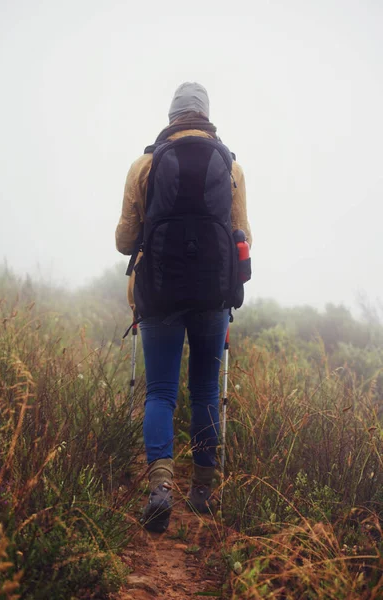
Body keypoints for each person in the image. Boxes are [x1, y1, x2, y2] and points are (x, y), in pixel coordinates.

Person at [115, 82, 252, 532]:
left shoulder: (145, 164)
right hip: (213, 295)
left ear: (172, 116)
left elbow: (123, 241)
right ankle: (204, 489)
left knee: (160, 392)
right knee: (206, 391)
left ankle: (159, 487)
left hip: (159, 295)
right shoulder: (230, 166)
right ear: (205, 116)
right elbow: (242, 234)